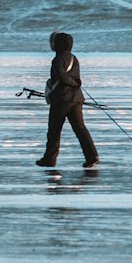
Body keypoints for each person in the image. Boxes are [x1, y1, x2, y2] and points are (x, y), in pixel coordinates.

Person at [36, 30, 99, 167]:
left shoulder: (58, 59)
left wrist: (72, 83)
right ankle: (92, 156)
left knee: (54, 130)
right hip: (76, 99)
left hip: (62, 100)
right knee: (80, 129)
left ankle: (49, 159)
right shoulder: (73, 58)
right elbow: (74, 77)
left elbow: (61, 75)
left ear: (58, 44)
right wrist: (75, 83)